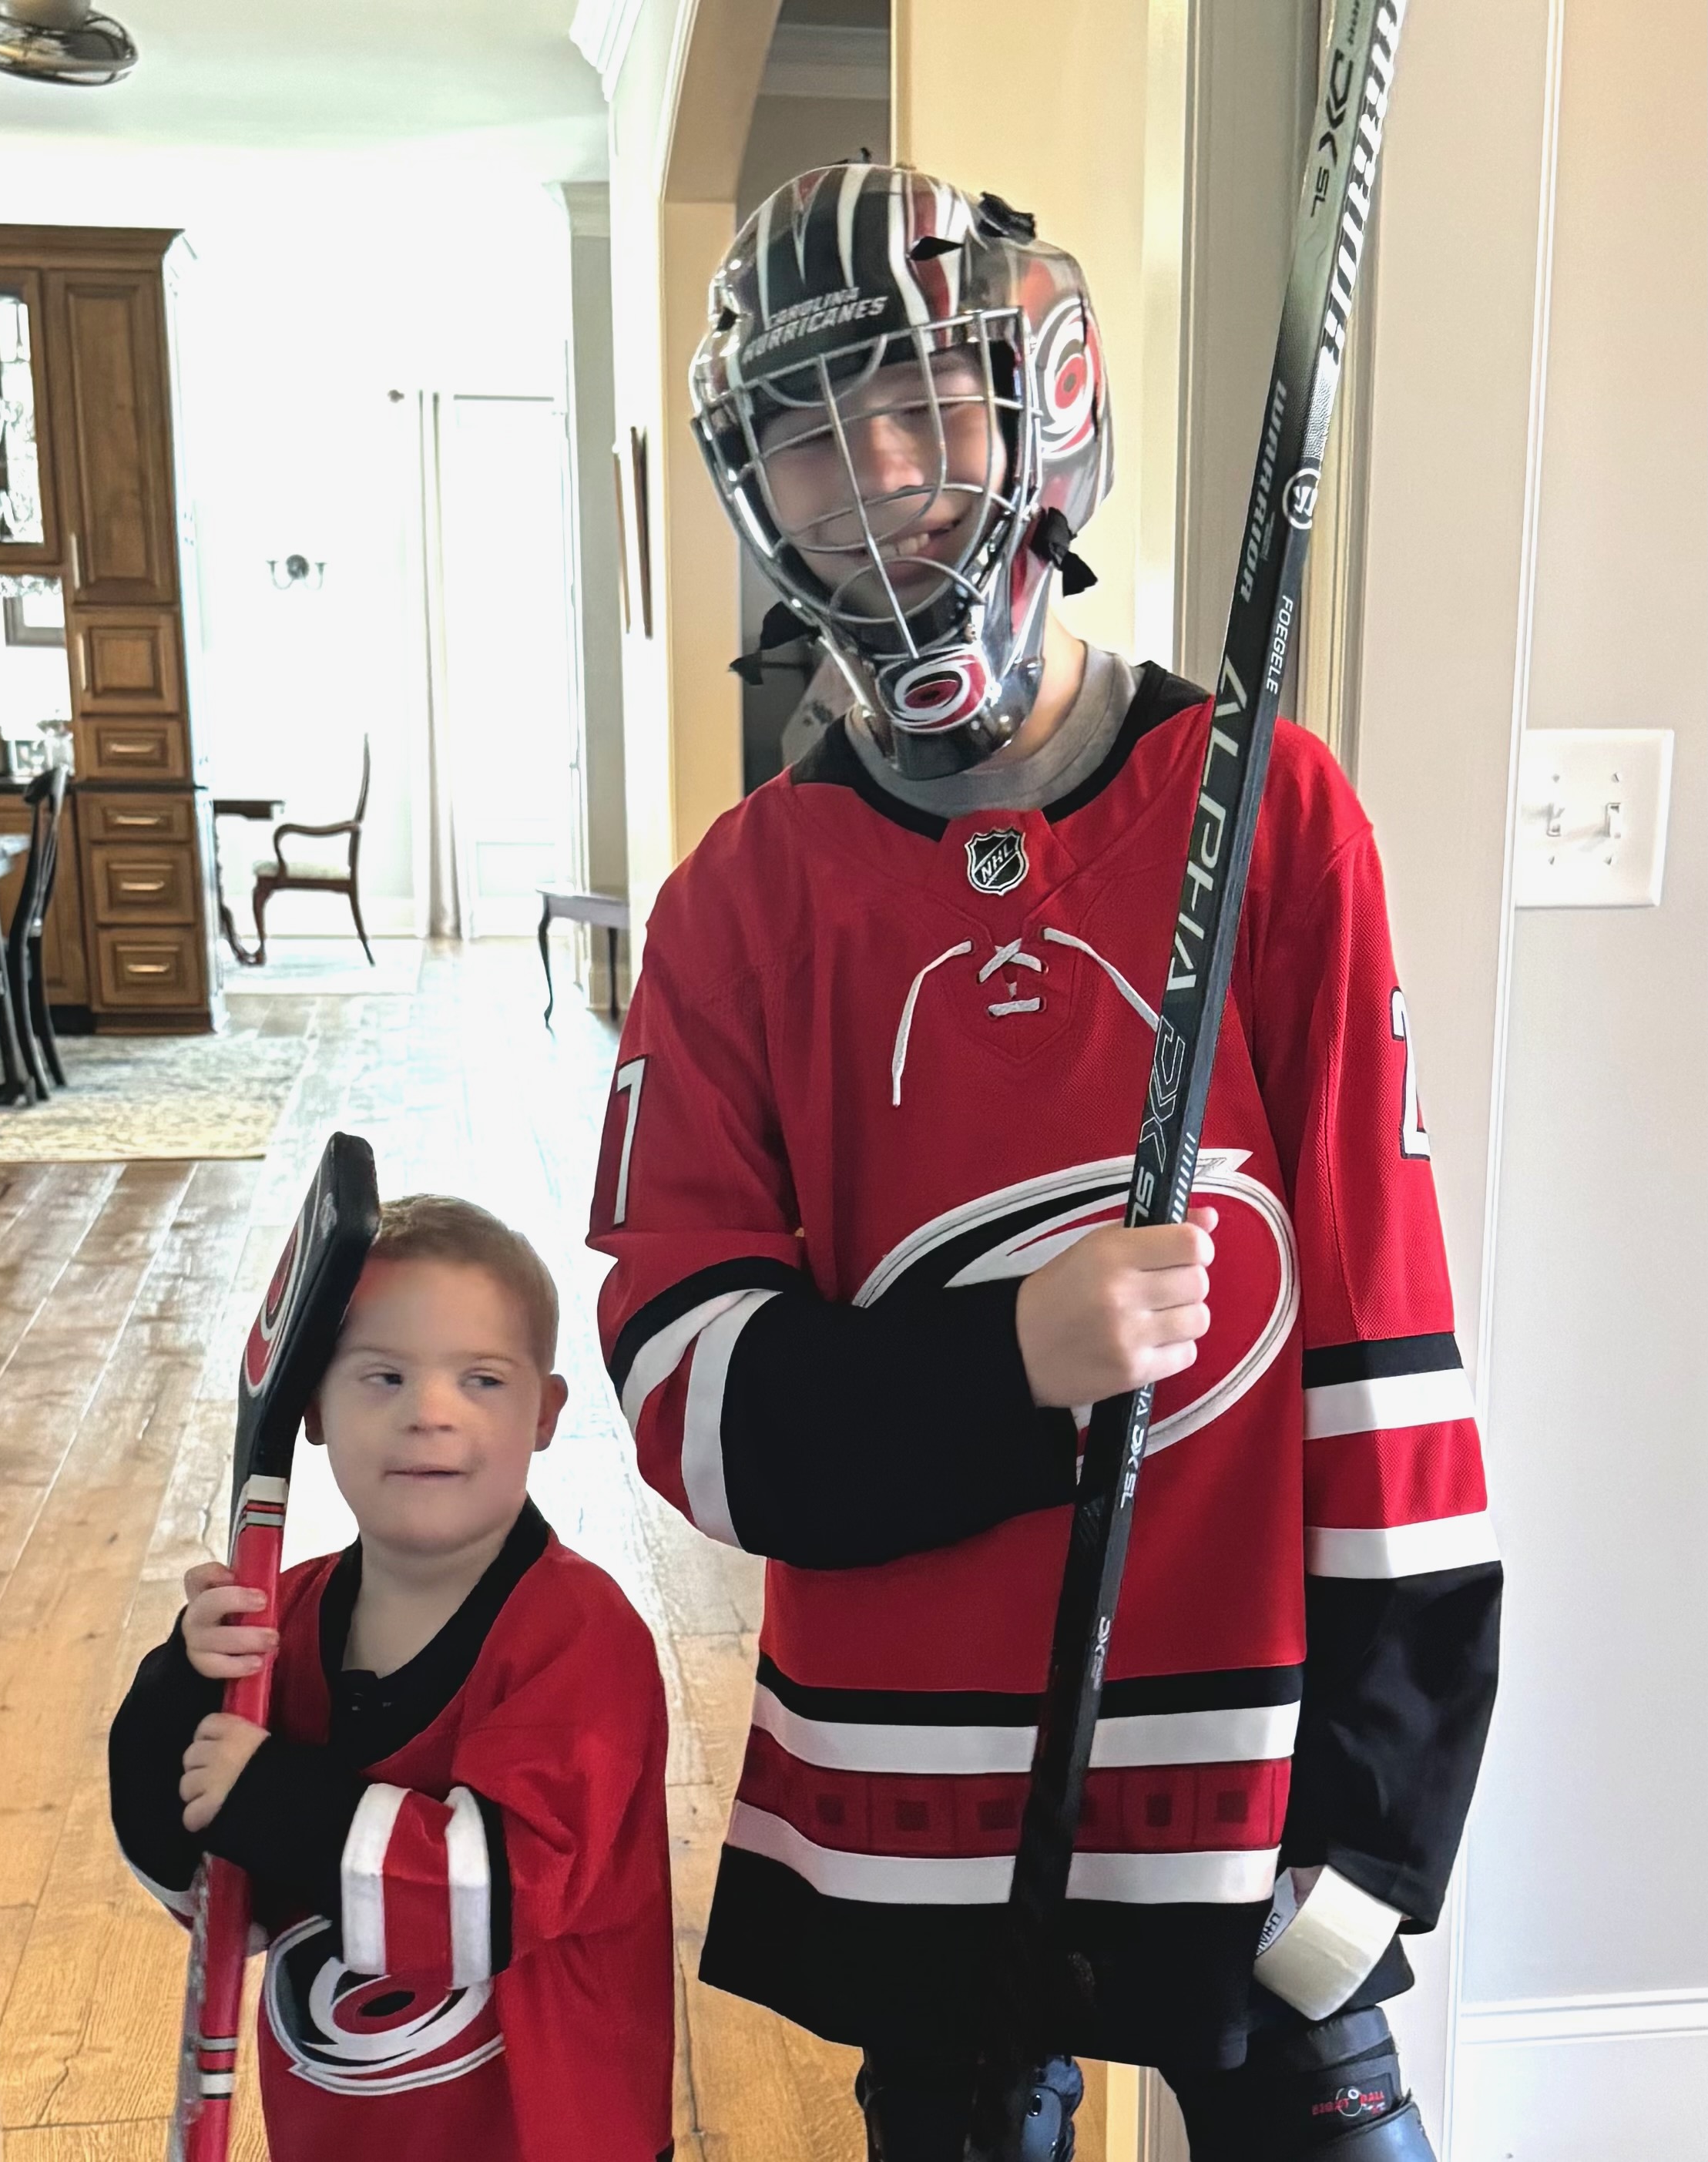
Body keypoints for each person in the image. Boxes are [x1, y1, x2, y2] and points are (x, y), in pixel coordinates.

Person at [587, 164, 1500, 2161]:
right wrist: (1005, 1356)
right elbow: (685, 1396)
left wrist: (1383, 1815)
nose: (887, 475)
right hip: (911, 1803)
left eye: (928, 398)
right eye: (815, 439)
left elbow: (1384, 1354)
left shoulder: (1267, 816)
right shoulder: (740, 906)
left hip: (1252, 1764)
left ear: (1047, 396)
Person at [110, 1196, 674, 2161]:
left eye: (481, 1379)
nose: (430, 1412)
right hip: (337, 2128)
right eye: (383, 1376)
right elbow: (213, 1900)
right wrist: (180, 1698)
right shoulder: (273, 1621)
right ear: (313, 1411)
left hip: (546, 2133)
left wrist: (268, 1794)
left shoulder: (580, 1638)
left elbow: (496, 1897)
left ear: (543, 1414)